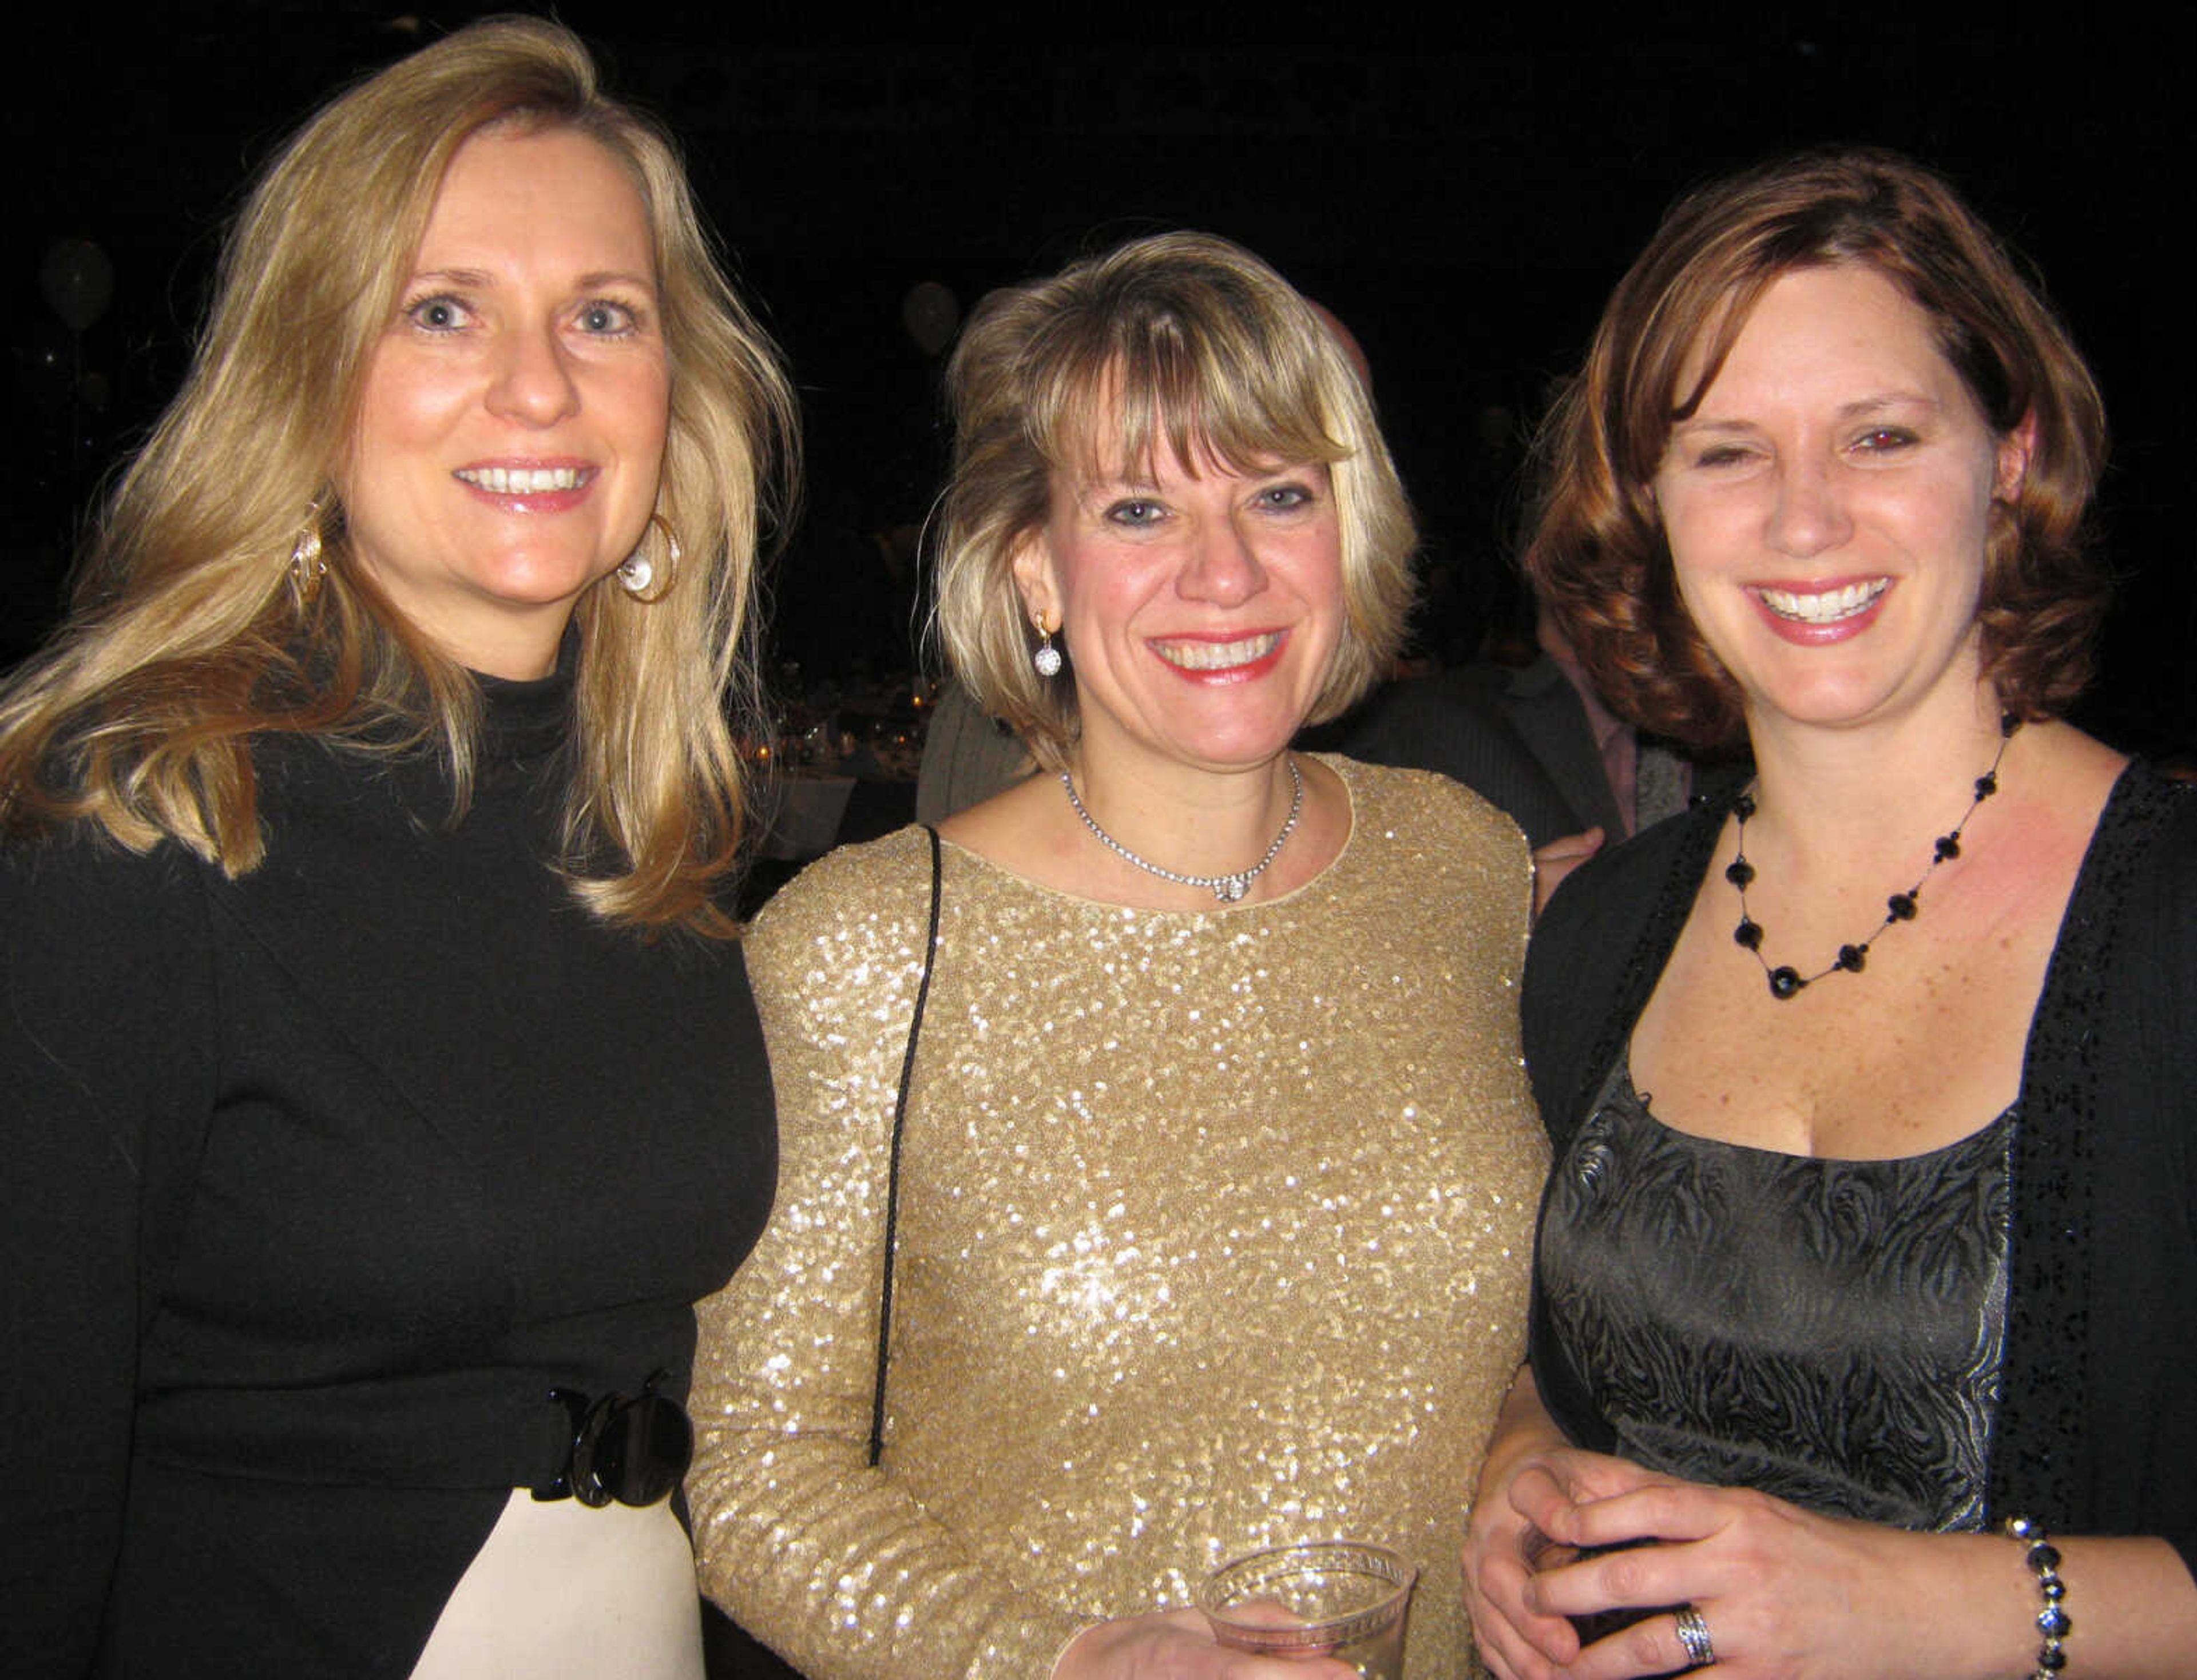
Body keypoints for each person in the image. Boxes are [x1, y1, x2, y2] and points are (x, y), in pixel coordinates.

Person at [0, 19, 794, 1677]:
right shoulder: (142, 821)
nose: (539, 385)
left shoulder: (662, 822)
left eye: (603, 315)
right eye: (444, 310)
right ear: (307, 374)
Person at [688, 231, 1547, 1679]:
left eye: (1279, 495)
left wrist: (1530, 1445)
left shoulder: (1466, 864)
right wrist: (1054, 1660)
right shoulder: (865, 952)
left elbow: (1523, 1327)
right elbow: (755, 1470)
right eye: (1142, 508)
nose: (1226, 573)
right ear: (1034, 568)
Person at [1462, 148, 2197, 1680]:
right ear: (1647, 499)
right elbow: (1559, 1369)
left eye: (1878, 435)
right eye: (1727, 452)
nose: (1806, 521)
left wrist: (1925, 1609)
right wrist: (1515, 1477)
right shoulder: (1603, 935)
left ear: (2009, 453)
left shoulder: (2175, 928)